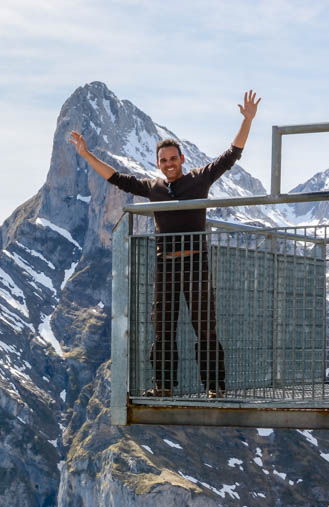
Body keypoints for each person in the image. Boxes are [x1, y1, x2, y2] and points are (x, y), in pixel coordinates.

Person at [69, 90, 261, 398]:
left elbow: (231, 155)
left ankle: (215, 387)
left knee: (205, 327)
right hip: (166, 265)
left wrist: (247, 120)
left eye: (173, 159)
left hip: (196, 263)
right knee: (163, 329)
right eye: (164, 160)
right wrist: (86, 155)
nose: (169, 164)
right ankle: (163, 386)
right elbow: (117, 178)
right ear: (158, 163)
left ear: (182, 160)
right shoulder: (152, 187)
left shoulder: (199, 179)